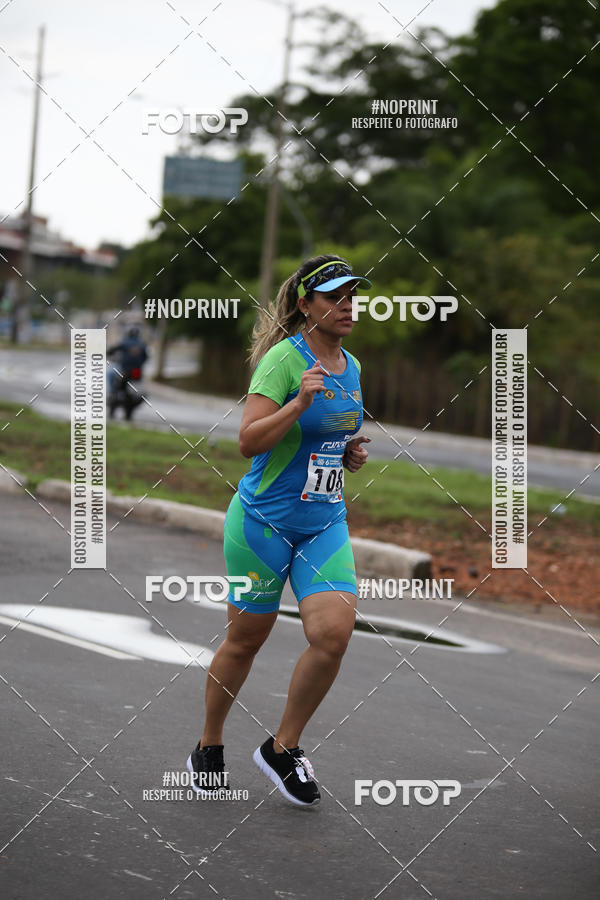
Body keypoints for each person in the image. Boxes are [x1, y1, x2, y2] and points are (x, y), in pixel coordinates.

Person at [187, 255, 372, 807]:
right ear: (305, 305)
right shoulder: (281, 363)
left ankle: (282, 747)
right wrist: (299, 403)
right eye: (334, 297)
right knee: (246, 641)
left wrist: (348, 454)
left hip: (323, 523)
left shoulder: (352, 366)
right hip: (262, 523)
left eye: (352, 296)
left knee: (333, 636)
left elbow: (331, 440)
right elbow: (248, 443)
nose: (347, 307)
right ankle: (209, 744)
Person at [106, 326, 148, 394]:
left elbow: (113, 350)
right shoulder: (142, 344)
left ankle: (112, 392)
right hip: (137, 370)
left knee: (109, 373)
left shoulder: (125, 342)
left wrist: (108, 353)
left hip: (124, 368)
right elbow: (146, 357)